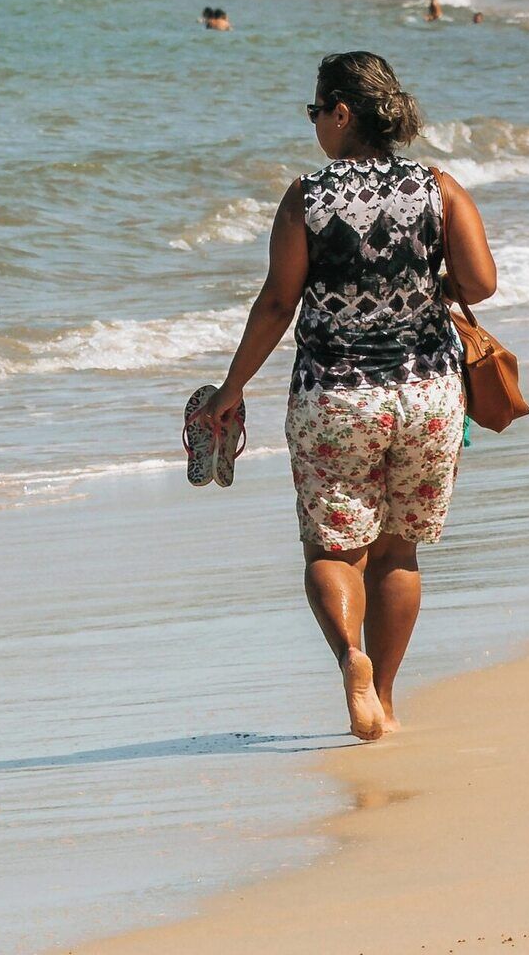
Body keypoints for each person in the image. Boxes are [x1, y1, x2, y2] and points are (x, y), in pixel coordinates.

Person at [200, 51, 499, 742]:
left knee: (333, 551)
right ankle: (385, 700)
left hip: (337, 397)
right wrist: (433, 290)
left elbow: (278, 303)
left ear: (342, 113)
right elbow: (481, 283)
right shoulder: (439, 187)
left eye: (316, 113)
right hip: (428, 395)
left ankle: (351, 660)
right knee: (399, 553)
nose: (314, 127)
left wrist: (230, 388)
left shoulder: (308, 197)